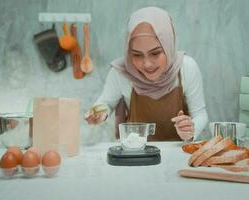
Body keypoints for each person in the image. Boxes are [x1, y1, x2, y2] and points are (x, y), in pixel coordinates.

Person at [84, 6, 208, 141]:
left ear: (168, 45)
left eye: (155, 53)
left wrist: (190, 130)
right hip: (134, 155)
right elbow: (105, 103)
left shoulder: (186, 68)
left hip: (177, 153)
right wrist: (99, 113)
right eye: (137, 55)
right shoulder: (121, 72)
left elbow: (200, 114)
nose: (147, 64)